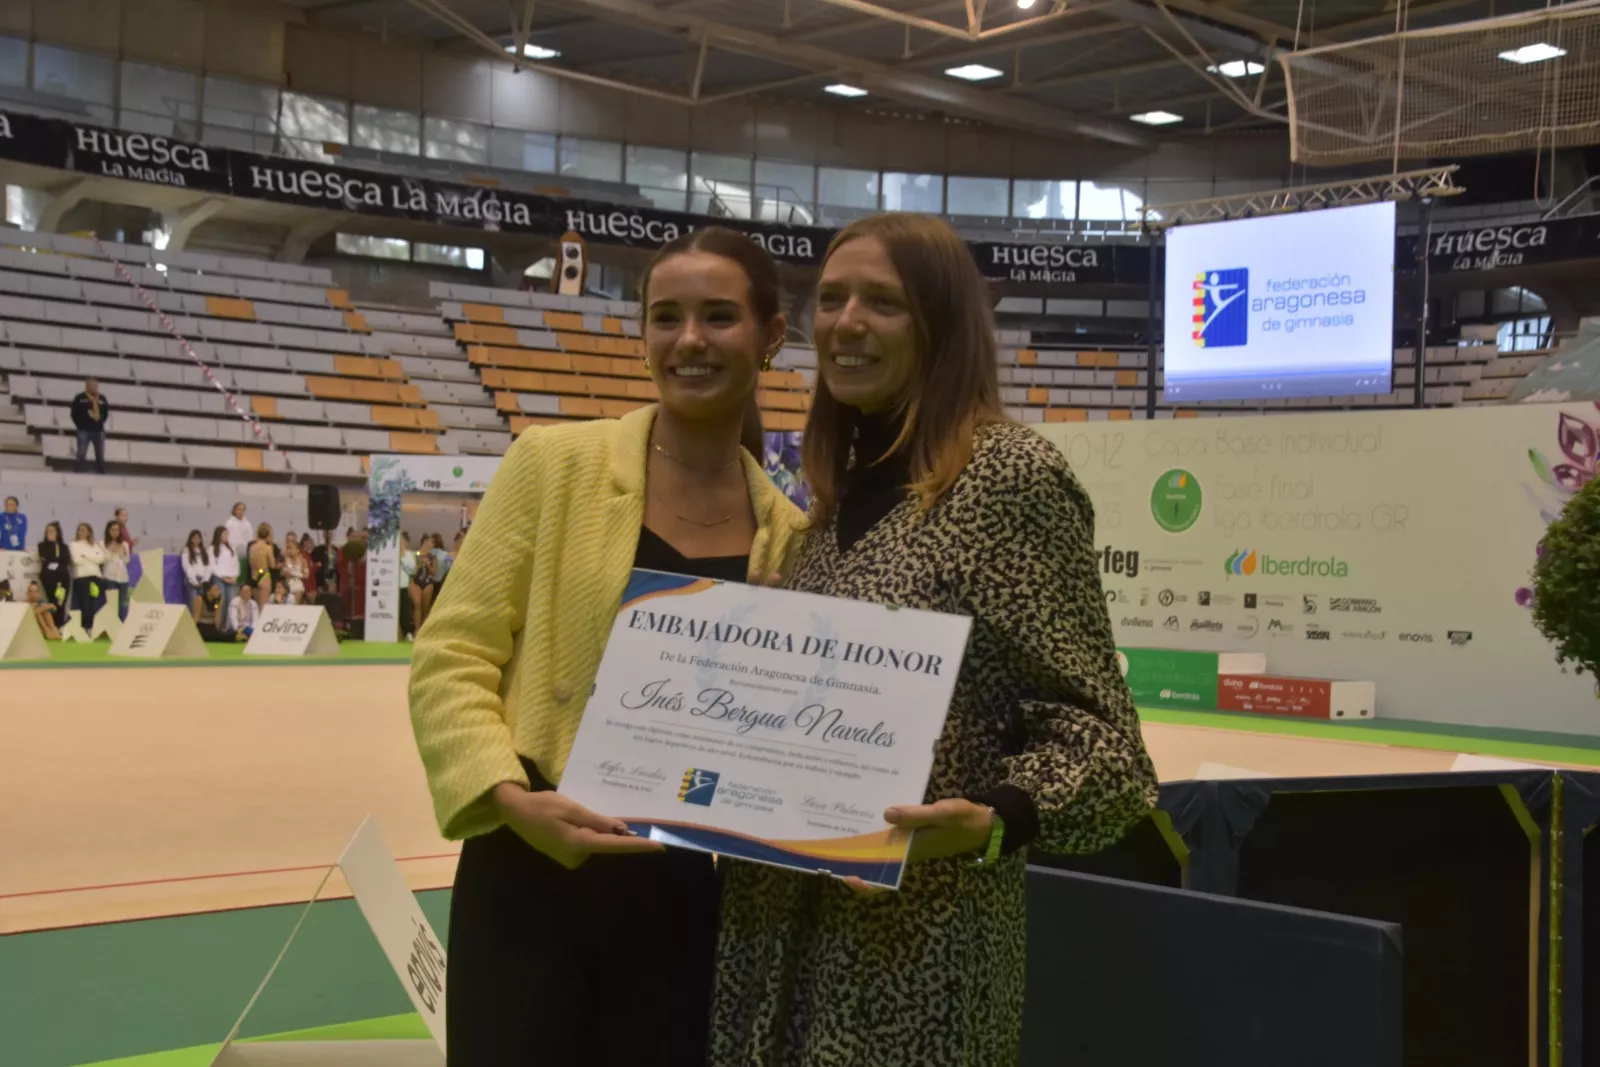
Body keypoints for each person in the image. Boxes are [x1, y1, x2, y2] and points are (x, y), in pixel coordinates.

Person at [710, 214, 1159, 1067]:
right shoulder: (827, 511)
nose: (846, 322)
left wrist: (992, 819)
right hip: (775, 948)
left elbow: (1108, 752)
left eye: (884, 302)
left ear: (942, 326)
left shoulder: (1006, 479)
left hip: (913, 955)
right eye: (833, 298)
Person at [408, 227, 806, 1067]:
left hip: (692, 907)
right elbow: (452, 654)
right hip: (531, 874)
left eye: (719, 316)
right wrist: (511, 798)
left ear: (771, 336)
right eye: (666, 317)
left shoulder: (794, 539)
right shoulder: (553, 464)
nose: (689, 340)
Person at [69, 522, 108, 631]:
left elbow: (101, 559)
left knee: (94, 604)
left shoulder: (94, 545)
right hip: (82, 577)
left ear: (89, 532)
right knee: (85, 603)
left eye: (84, 530)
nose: (81, 532)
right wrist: (93, 559)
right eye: (80, 530)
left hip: (96, 576)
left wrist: (86, 556)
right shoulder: (74, 545)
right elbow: (76, 560)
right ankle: (86, 627)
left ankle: (94, 627)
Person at [71, 378, 111, 474]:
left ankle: (100, 471)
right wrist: (80, 424)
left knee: (100, 453)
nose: (94, 388)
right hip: (83, 430)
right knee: (81, 453)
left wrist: (100, 422)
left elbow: (105, 413)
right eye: (92, 386)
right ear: (87, 386)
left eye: (96, 386)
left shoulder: (102, 398)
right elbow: (74, 413)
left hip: (98, 430)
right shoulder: (79, 398)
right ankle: (79, 471)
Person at [37, 521, 69, 626]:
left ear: (57, 532)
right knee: (53, 600)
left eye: (52, 531)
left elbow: (65, 560)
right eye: (48, 531)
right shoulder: (42, 545)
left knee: (61, 601)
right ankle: (52, 625)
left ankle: (60, 625)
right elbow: (46, 558)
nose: (49, 533)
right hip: (49, 576)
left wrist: (55, 560)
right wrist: (51, 544)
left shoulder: (63, 546)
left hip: (62, 576)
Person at [102, 519, 131, 622]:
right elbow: (103, 560)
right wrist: (112, 552)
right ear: (108, 531)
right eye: (113, 530)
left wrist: (123, 551)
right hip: (109, 577)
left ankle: (122, 626)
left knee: (122, 605)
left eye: (117, 530)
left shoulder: (124, 544)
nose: (115, 532)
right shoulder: (103, 544)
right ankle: (112, 627)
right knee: (112, 604)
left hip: (123, 578)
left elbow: (127, 560)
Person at [181, 530, 213, 622]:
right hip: (192, 581)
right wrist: (194, 581)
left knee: (201, 605)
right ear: (191, 539)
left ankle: (199, 625)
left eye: (199, 538)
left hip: (202, 580)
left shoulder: (203, 551)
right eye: (194, 538)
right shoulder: (187, 550)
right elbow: (187, 566)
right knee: (193, 604)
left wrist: (204, 580)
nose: (197, 540)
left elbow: (208, 566)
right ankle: (192, 624)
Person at [211, 526, 239, 628]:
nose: (226, 536)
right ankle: (218, 624)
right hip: (219, 578)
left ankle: (229, 625)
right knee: (220, 602)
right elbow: (212, 565)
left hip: (231, 578)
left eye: (227, 534)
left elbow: (235, 563)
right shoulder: (212, 549)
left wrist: (235, 576)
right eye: (224, 534)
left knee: (231, 601)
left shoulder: (231, 548)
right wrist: (222, 577)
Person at [224, 503, 254, 583]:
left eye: (243, 510)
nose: (241, 512)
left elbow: (250, 540)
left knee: (244, 579)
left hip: (245, 555)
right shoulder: (229, 523)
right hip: (233, 555)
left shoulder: (247, 524)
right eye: (239, 509)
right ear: (234, 511)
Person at [249, 523, 276, 609]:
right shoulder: (268, 548)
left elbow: (251, 562)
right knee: (263, 607)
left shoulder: (252, 547)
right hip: (264, 575)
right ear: (268, 535)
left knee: (256, 606)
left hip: (254, 575)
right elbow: (272, 565)